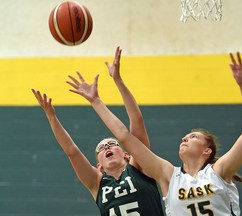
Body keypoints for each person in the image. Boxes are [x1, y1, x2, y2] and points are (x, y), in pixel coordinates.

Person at [67, 51, 242, 216]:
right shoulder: (169, 175)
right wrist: (98, 99)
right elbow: (124, 136)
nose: (185, 138)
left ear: (207, 151)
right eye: (185, 137)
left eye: (193, 137)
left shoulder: (219, 171)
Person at [32, 47, 165, 216]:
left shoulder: (140, 167)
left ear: (126, 154)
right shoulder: (96, 183)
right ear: (99, 165)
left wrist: (117, 80)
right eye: (101, 148)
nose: (106, 148)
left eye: (111, 144)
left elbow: (136, 120)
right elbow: (71, 151)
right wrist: (51, 117)